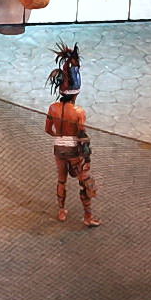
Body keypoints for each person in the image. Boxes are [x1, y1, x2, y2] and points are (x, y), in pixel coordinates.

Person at [44, 43, 100, 227]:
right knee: (86, 181)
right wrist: (87, 157)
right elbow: (81, 135)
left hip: (59, 147)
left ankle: (61, 211)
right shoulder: (78, 112)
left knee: (61, 179)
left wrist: (60, 135)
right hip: (75, 151)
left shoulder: (52, 107)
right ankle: (88, 217)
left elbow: (48, 130)